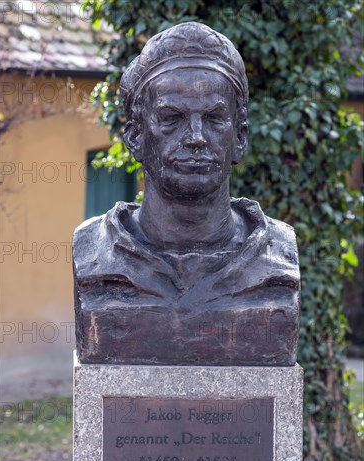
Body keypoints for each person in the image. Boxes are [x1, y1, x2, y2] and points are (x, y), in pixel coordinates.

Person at [73, 22, 300, 366]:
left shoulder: (277, 262)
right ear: (135, 136)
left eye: (213, 118)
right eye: (171, 118)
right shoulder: (94, 255)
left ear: (239, 138)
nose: (196, 136)